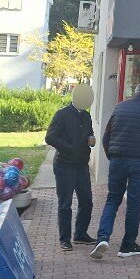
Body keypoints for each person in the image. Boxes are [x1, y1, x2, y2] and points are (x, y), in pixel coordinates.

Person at [90, 82, 140, 259]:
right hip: (139, 161)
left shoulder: (120, 107)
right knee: (134, 203)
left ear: (135, 92)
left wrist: (112, 156)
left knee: (112, 199)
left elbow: (107, 137)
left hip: (117, 160)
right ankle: (127, 245)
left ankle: (103, 237)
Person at [45, 83, 97, 252]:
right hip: (64, 165)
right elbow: (50, 137)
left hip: (82, 165)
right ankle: (65, 239)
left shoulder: (87, 116)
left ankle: (80, 234)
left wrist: (91, 138)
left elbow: (89, 133)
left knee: (87, 201)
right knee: (65, 203)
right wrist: (70, 147)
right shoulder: (62, 114)